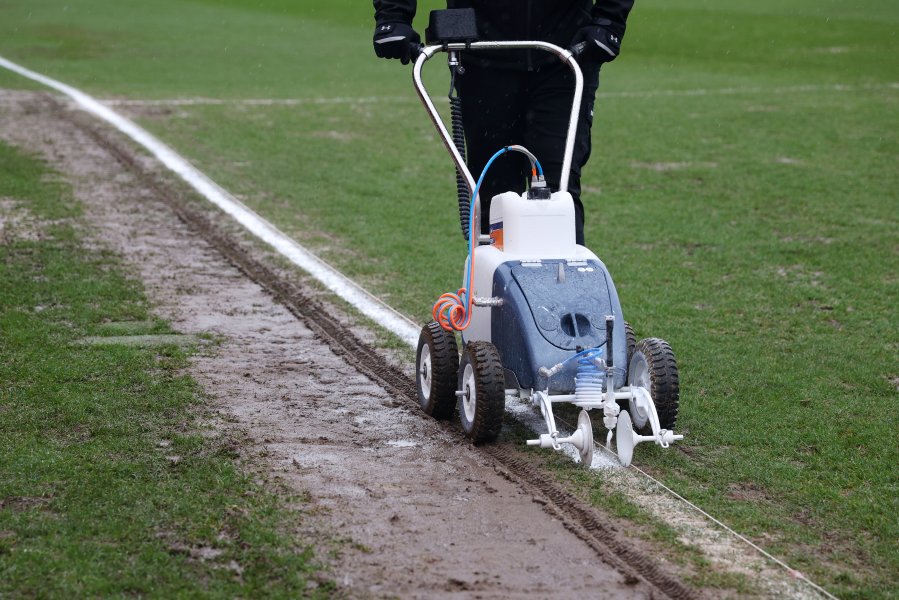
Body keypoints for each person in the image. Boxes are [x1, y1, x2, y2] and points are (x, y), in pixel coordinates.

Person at [372, 0, 634, 246]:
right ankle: (493, 289)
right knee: (493, 192)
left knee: (558, 194)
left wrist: (609, 22)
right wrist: (393, 16)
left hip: (566, 54)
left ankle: (564, 290)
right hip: (481, 55)